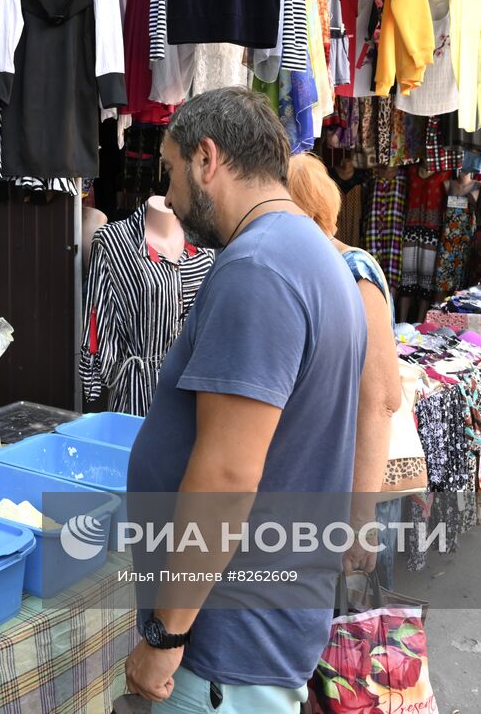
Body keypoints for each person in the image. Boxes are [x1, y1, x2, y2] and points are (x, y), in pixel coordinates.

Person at [125, 88, 366, 713]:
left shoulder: (256, 268)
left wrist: (166, 631)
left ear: (207, 160)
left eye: (172, 172)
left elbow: (228, 476)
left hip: (224, 649)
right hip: (263, 623)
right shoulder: (315, 255)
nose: (171, 197)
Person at [285, 154, 409, 585]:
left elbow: (379, 401)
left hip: (350, 482)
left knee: (351, 628)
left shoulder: (353, 273)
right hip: (314, 483)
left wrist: (360, 517)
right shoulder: (306, 269)